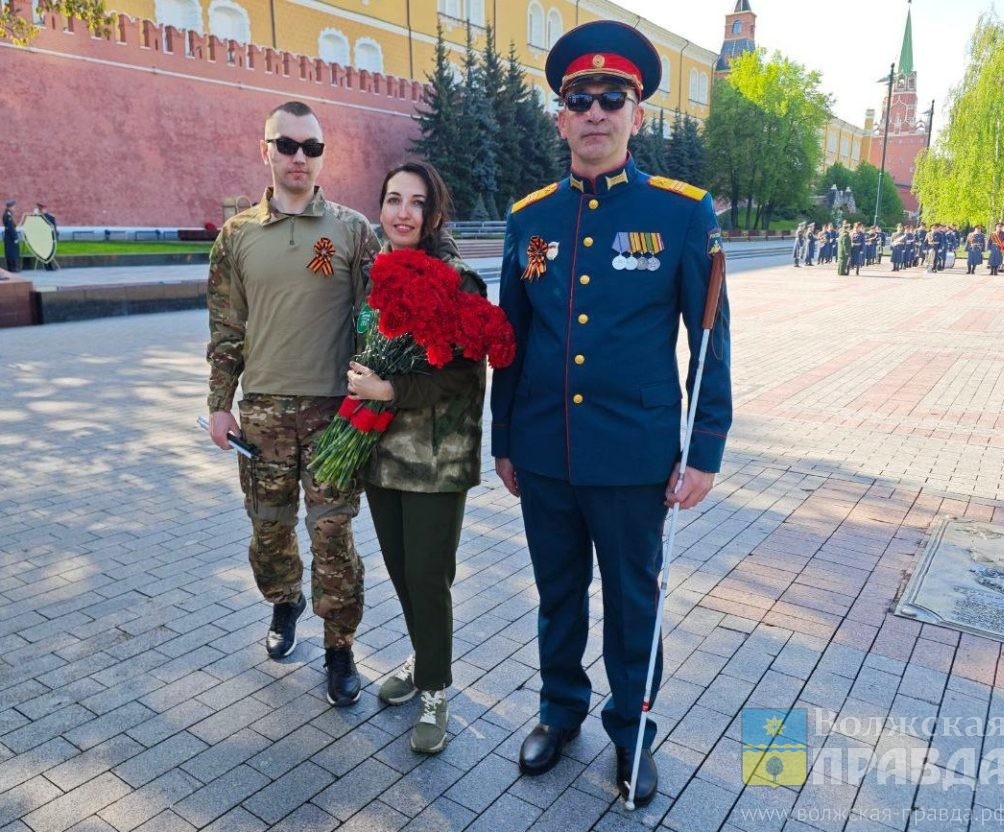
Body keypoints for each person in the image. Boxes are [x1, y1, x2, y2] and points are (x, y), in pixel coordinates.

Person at [490, 20, 732, 808]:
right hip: (545, 454)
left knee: (634, 604)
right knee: (558, 594)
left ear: (636, 114)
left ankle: (632, 733)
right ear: (560, 117)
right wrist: (503, 439)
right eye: (579, 99)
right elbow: (510, 342)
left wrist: (705, 450)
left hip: (635, 458)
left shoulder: (683, 214)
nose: (595, 111)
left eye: (611, 98)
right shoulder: (530, 220)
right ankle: (560, 714)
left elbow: (709, 344)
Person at [205, 100, 379, 706]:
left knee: (333, 535)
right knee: (269, 530)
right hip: (263, 415)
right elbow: (226, 329)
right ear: (266, 151)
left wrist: (376, 394)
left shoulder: (352, 230)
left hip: (335, 415)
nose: (299, 157)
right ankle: (285, 602)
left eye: (312, 147)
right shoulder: (237, 236)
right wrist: (219, 405)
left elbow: (376, 318)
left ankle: (339, 648)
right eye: (288, 145)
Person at [345, 161, 487, 754]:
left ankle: (435, 688)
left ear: (433, 212)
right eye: (393, 198)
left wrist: (390, 391)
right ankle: (423, 654)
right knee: (403, 572)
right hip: (381, 453)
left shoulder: (459, 282)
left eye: (416, 201)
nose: (402, 211)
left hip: (435, 458)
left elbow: (463, 381)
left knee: (429, 577)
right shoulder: (370, 275)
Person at [33, 202, 59, 271]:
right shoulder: (38, 217)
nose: (42, 210)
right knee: (45, 252)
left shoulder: (50, 217)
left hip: (50, 237)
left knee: (50, 252)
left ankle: (50, 266)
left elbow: (54, 227)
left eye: (43, 209)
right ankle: (47, 266)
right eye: (40, 209)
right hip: (42, 238)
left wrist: (55, 236)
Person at [3, 199, 18, 273]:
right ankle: (12, 268)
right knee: (11, 253)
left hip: (9, 236)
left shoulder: (8, 214)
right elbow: (10, 227)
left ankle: (12, 268)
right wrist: (15, 237)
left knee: (11, 252)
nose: (14, 208)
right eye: (13, 206)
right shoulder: (8, 215)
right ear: (10, 207)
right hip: (10, 237)